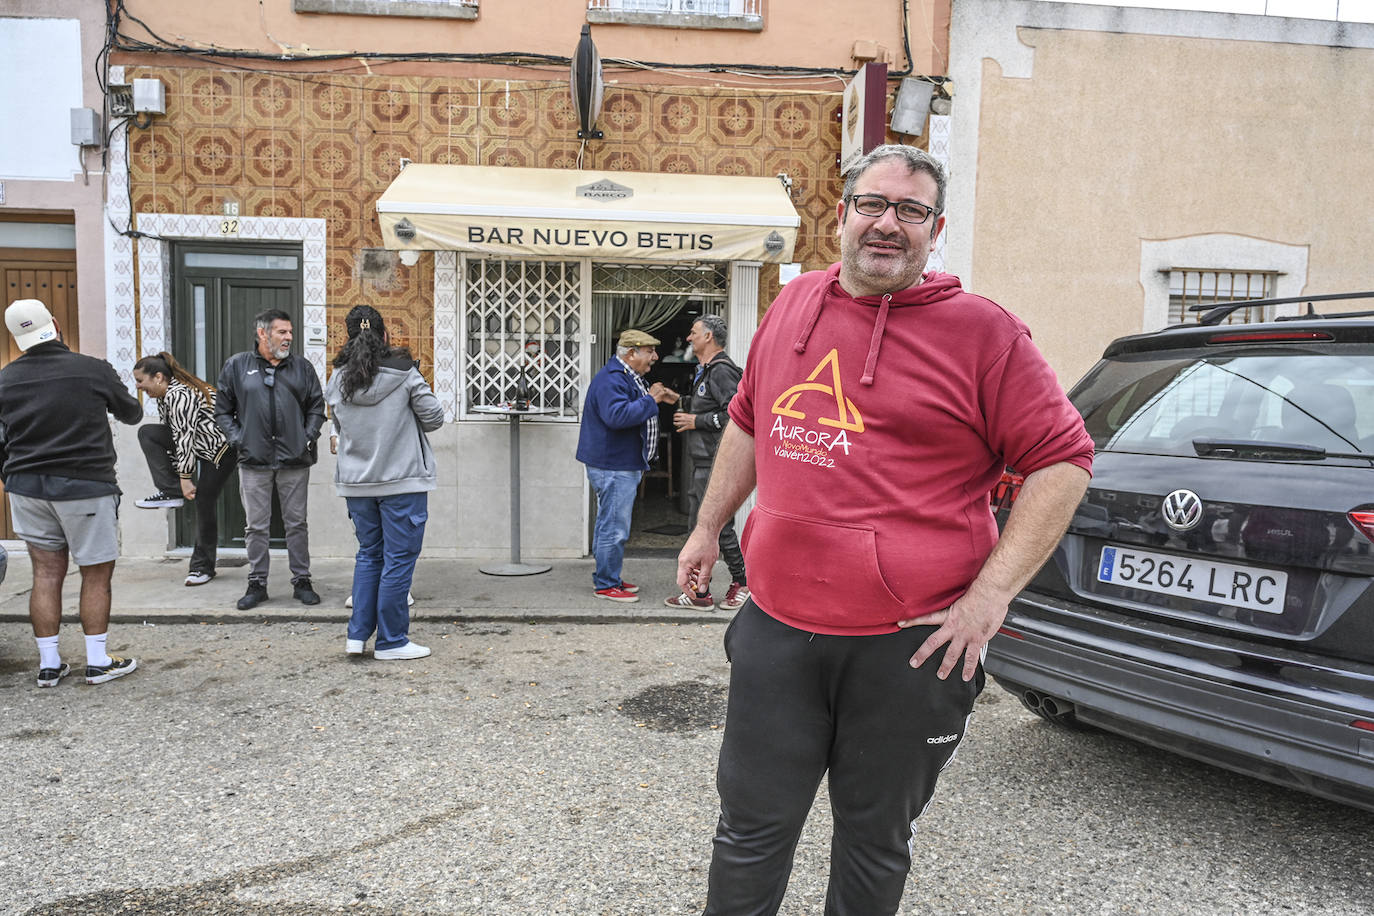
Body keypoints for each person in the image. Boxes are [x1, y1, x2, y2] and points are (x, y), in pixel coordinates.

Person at [676, 144, 1095, 915]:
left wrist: (989, 597)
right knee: (749, 830)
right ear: (841, 216)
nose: (888, 224)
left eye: (911, 211)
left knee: (873, 844)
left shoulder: (984, 334)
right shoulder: (794, 301)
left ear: (935, 230)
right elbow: (748, 421)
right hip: (776, 629)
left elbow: (1063, 460)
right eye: (873, 204)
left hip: (909, 648)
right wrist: (708, 528)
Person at [0, 299, 143, 687]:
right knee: (96, 574)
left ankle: (49, 666)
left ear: (18, 339)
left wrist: (11, 474)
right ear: (57, 324)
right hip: (85, 485)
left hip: (27, 487)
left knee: (45, 573)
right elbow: (132, 413)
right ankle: (97, 661)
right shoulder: (91, 370)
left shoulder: (5, 380)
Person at [325, 305, 443, 660]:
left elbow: (340, 427)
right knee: (398, 560)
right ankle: (392, 641)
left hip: (357, 484)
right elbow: (434, 417)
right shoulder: (404, 373)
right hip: (401, 482)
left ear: (348, 338)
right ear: (386, 336)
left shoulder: (337, 379)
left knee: (368, 556)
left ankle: (357, 636)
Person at [215, 308, 326, 610]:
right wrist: (239, 438)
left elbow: (317, 405)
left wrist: (307, 435)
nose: (289, 337)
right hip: (253, 461)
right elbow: (222, 410)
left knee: (296, 524)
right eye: (282, 332)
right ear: (263, 333)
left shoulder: (302, 368)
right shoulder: (237, 366)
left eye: (290, 332)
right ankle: (257, 583)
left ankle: (301, 580)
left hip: (295, 460)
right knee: (256, 526)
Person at [575, 328, 676, 603]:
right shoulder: (611, 379)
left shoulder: (626, 376)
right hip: (613, 465)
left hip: (619, 463)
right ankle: (606, 584)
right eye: (650, 351)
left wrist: (656, 399)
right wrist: (650, 399)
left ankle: (609, 577)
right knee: (613, 527)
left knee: (611, 524)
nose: (655, 357)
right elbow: (617, 417)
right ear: (631, 353)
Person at [132, 351, 239, 586]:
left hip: (220, 451)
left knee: (204, 502)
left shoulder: (179, 394)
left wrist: (185, 477)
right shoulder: (165, 395)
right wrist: (177, 475)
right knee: (149, 433)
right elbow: (170, 435)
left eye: (141, 381)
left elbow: (183, 438)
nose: (139, 387)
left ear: (158, 377)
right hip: (200, 447)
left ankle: (203, 568)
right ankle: (171, 491)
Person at [663, 314, 747, 611]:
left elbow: (736, 415)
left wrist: (696, 420)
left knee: (718, 528)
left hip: (716, 462)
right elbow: (709, 404)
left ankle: (743, 583)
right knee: (698, 527)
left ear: (709, 336)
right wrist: (680, 400)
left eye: (694, 332)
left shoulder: (723, 371)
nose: (689, 338)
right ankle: (700, 592)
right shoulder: (707, 371)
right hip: (702, 461)